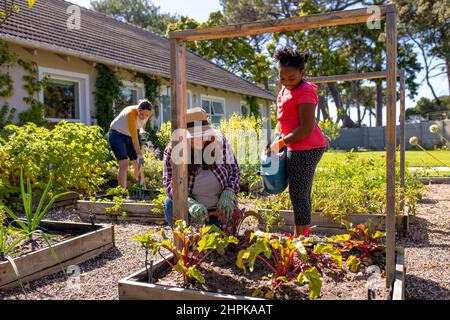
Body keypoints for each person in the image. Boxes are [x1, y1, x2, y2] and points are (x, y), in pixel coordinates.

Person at [266, 47, 327, 237]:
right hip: (294, 144)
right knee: (299, 193)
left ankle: (302, 240)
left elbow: (306, 128)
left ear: (303, 72)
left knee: (299, 195)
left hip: (307, 147)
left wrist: (281, 143)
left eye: (292, 78)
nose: (287, 82)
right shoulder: (285, 90)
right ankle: (299, 236)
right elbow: (283, 120)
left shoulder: (305, 91)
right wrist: (277, 138)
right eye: (282, 78)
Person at [162, 107, 240, 228]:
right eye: (195, 136)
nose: (202, 139)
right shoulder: (174, 151)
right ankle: (183, 239)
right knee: (169, 203)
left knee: (219, 243)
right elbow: (168, 183)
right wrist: (187, 202)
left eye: (204, 134)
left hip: (219, 206)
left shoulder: (221, 143)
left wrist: (229, 191)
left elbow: (234, 171)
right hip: (191, 210)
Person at [108, 99, 153, 188]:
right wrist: (139, 154)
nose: (144, 117)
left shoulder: (148, 113)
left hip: (127, 135)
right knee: (124, 163)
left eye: (146, 115)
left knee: (137, 163)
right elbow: (134, 139)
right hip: (116, 134)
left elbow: (143, 123)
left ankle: (138, 187)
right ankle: (122, 192)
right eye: (141, 114)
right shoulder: (130, 113)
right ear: (138, 110)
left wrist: (142, 130)